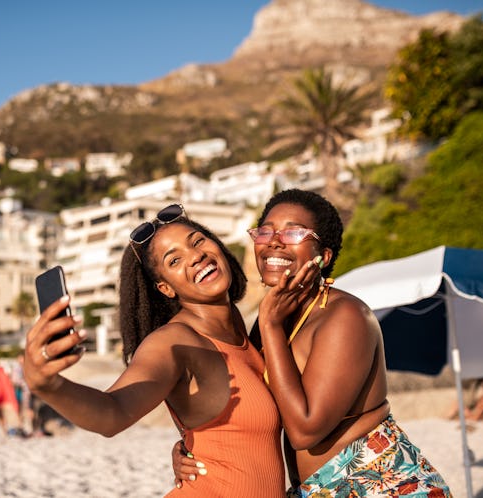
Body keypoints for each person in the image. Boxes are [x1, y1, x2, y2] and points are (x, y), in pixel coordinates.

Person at [172, 189, 451, 497]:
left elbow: (306, 430)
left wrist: (270, 325)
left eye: (293, 232)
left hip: (383, 485)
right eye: (266, 231)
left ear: (324, 256)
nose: (275, 240)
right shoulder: (274, 321)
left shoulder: (345, 316)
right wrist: (188, 449)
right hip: (314, 490)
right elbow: (250, 411)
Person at [24, 204, 286, 497]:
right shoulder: (173, 342)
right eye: (174, 260)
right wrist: (47, 385)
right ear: (165, 288)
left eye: (197, 241)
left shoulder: (244, 329)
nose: (195, 256)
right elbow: (113, 412)